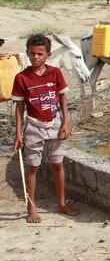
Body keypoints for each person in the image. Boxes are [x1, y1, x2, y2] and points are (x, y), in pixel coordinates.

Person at [11, 34, 80, 223]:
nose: (35, 57)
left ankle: (62, 203)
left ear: (48, 55)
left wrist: (66, 123)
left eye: (39, 54)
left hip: (54, 125)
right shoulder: (21, 78)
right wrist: (18, 133)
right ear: (27, 53)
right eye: (32, 53)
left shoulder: (55, 73)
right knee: (32, 167)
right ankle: (31, 207)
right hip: (33, 126)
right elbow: (19, 108)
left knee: (57, 164)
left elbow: (63, 99)